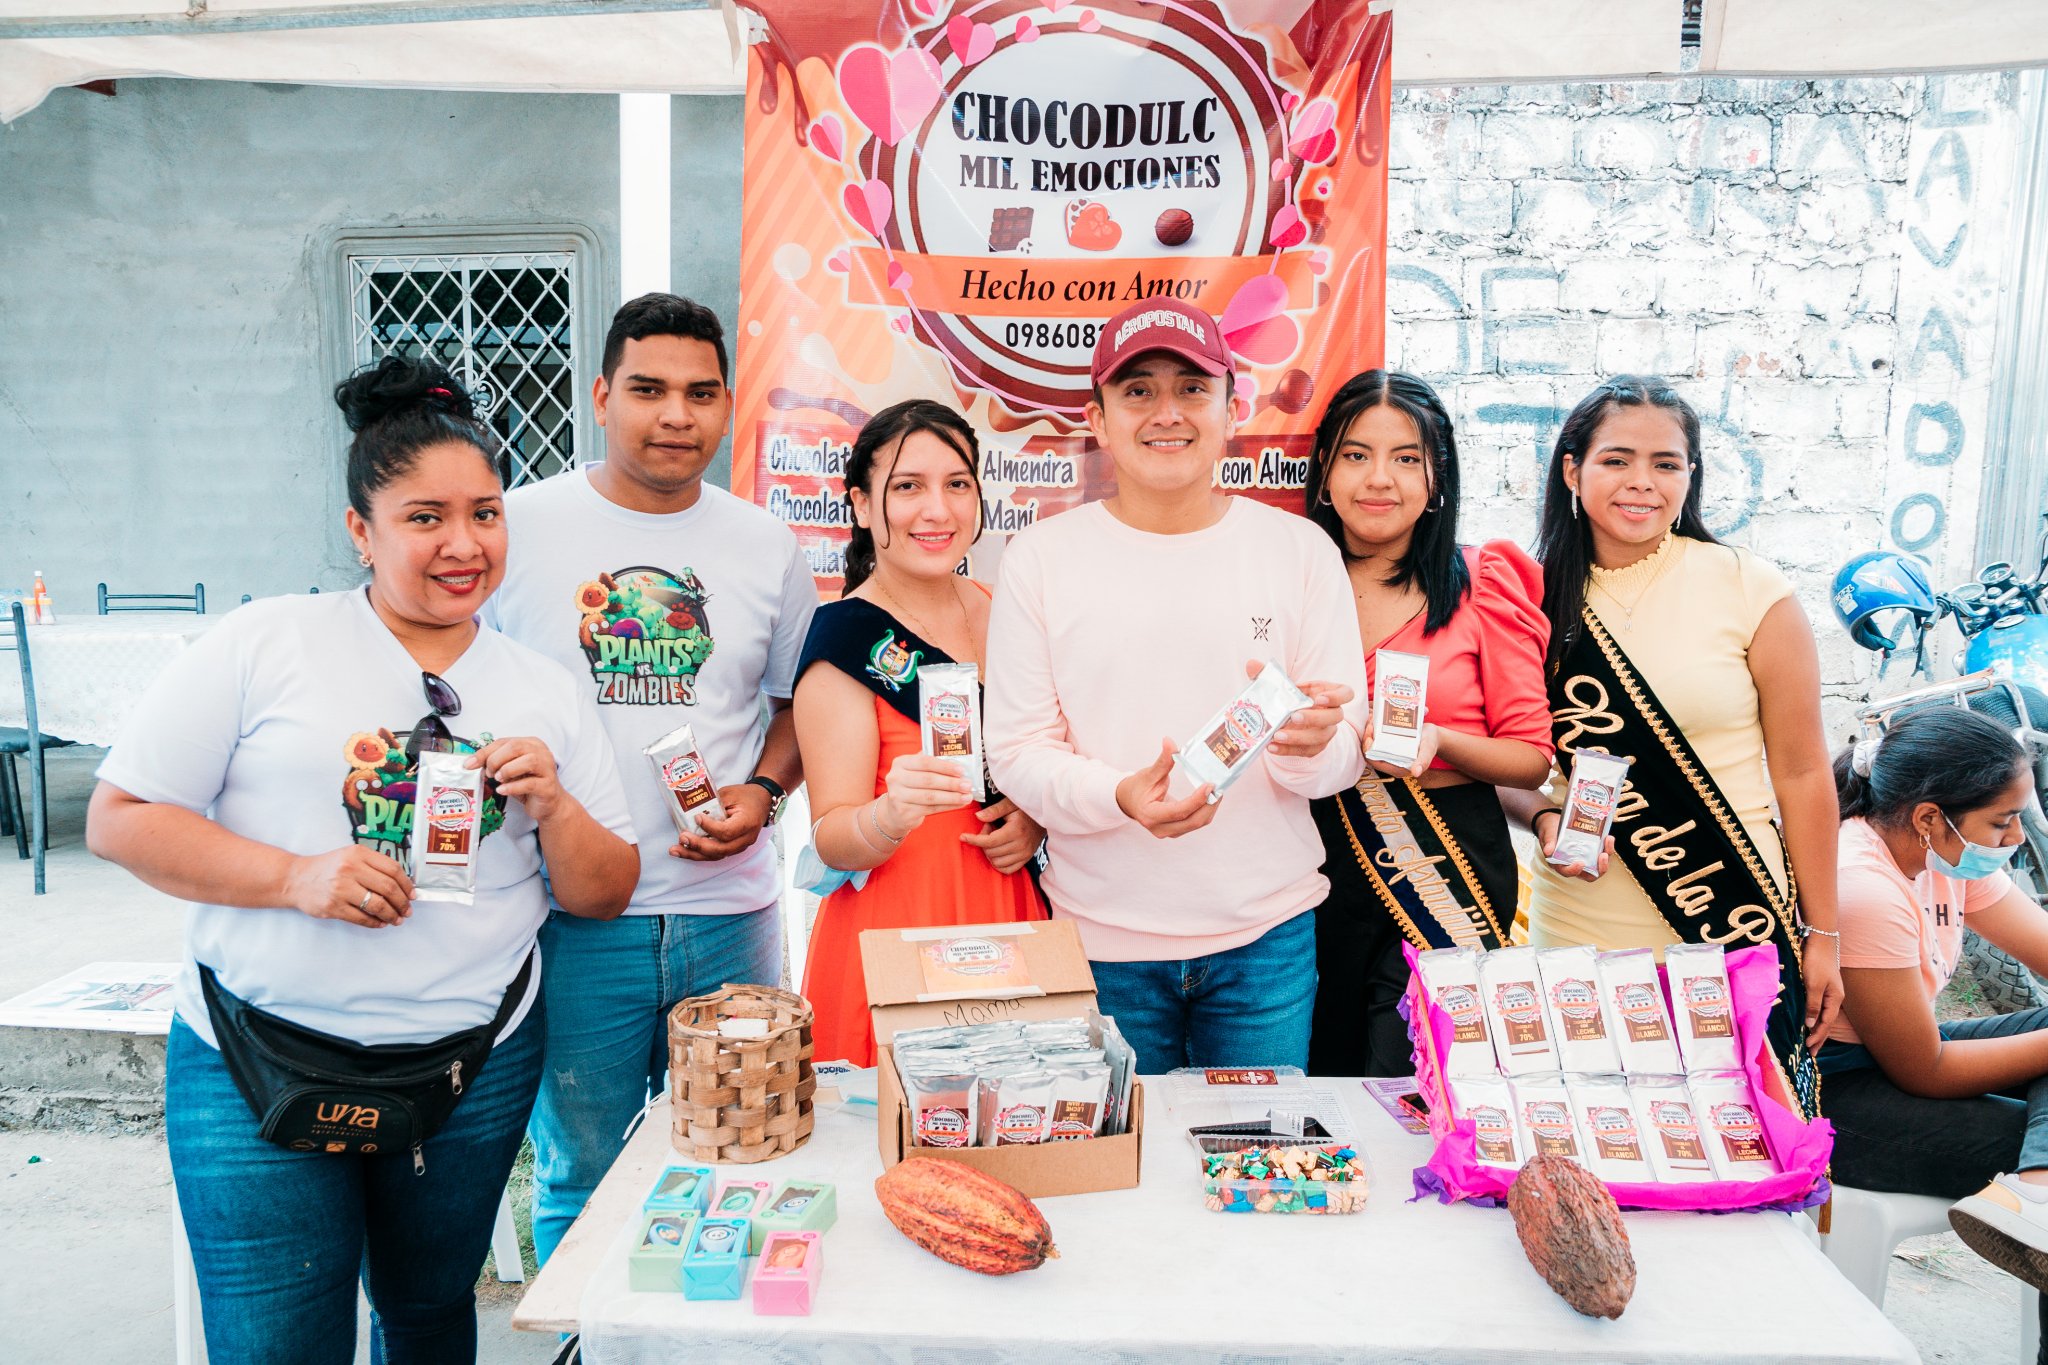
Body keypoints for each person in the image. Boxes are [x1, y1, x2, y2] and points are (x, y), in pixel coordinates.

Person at [84, 356, 638, 1365]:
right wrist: (296, 878)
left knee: (428, 1320)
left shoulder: (542, 686)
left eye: (485, 513)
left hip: (469, 1070)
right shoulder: (267, 642)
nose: (463, 544)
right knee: (277, 1345)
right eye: (426, 517)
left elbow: (603, 892)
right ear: (360, 530)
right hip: (254, 1059)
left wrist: (554, 803)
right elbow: (121, 818)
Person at [481, 293, 817, 1265]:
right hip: (569, 920)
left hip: (731, 916)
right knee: (581, 1171)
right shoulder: (517, 527)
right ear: (600, 396)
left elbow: (797, 705)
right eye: (648, 389)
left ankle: (707, 1326)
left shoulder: (763, 545)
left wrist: (764, 794)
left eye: (701, 393)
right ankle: (585, 1333)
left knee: (741, 1156)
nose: (677, 414)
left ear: (727, 406)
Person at [984, 297, 1367, 1075]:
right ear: (1097, 420)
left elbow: (1344, 753)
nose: (1168, 412)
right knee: (1120, 1158)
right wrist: (1120, 796)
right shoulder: (1040, 558)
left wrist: (1306, 748)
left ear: (1233, 409)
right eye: (1138, 391)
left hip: (1266, 941)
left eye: (1193, 388)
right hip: (1099, 944)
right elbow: (1017, 750)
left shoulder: (1300, 551)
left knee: (1261, 1148)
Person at [1508, 375, 1843, 1118]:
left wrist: (1823, 934)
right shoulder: (1528, 597)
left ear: (1691, 476)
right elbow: (1509, 759)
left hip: (1731, 914)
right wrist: (1542, 817)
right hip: (1582, 920)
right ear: (1572, 470)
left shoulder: (1749, 587)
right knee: (1601, 1135)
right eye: (1617, 460)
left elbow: (1802, 774)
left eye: (1666, 463)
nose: (1642, 482)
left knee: (1742, 1139)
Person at [1299, 371, 1553, 1076]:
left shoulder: (1482, 581)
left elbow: (1530, 755)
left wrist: (1439, 742)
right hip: (1313, 862)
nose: (1379, 478)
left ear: (1437, 477)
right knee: (1327, 1072)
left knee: (1414, 1082)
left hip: (1447, 863)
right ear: (1325, 471)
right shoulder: (1292, 581)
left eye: (1406, 458)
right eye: (1356, 455)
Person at [792, 399, 1047, 1066]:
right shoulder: (846, 638)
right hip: (896, 937)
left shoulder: (1005, 609)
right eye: (908, 487)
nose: (937, 510)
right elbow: (830, 837)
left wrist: (1034, 819)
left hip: (1010, 916)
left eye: (956, 484)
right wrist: (891, 813)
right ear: (861, 504)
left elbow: (1045, 757)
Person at [1825, 705, 2048, 1332]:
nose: (2015, 838)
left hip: (1893, 1056)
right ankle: (2037, 1188)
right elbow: (1926, 1070)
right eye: (2001, 821)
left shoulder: (1938, 854)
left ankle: (2037, 1187)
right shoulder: (1863, 885)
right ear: (1929, 817)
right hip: (1835, 1095)